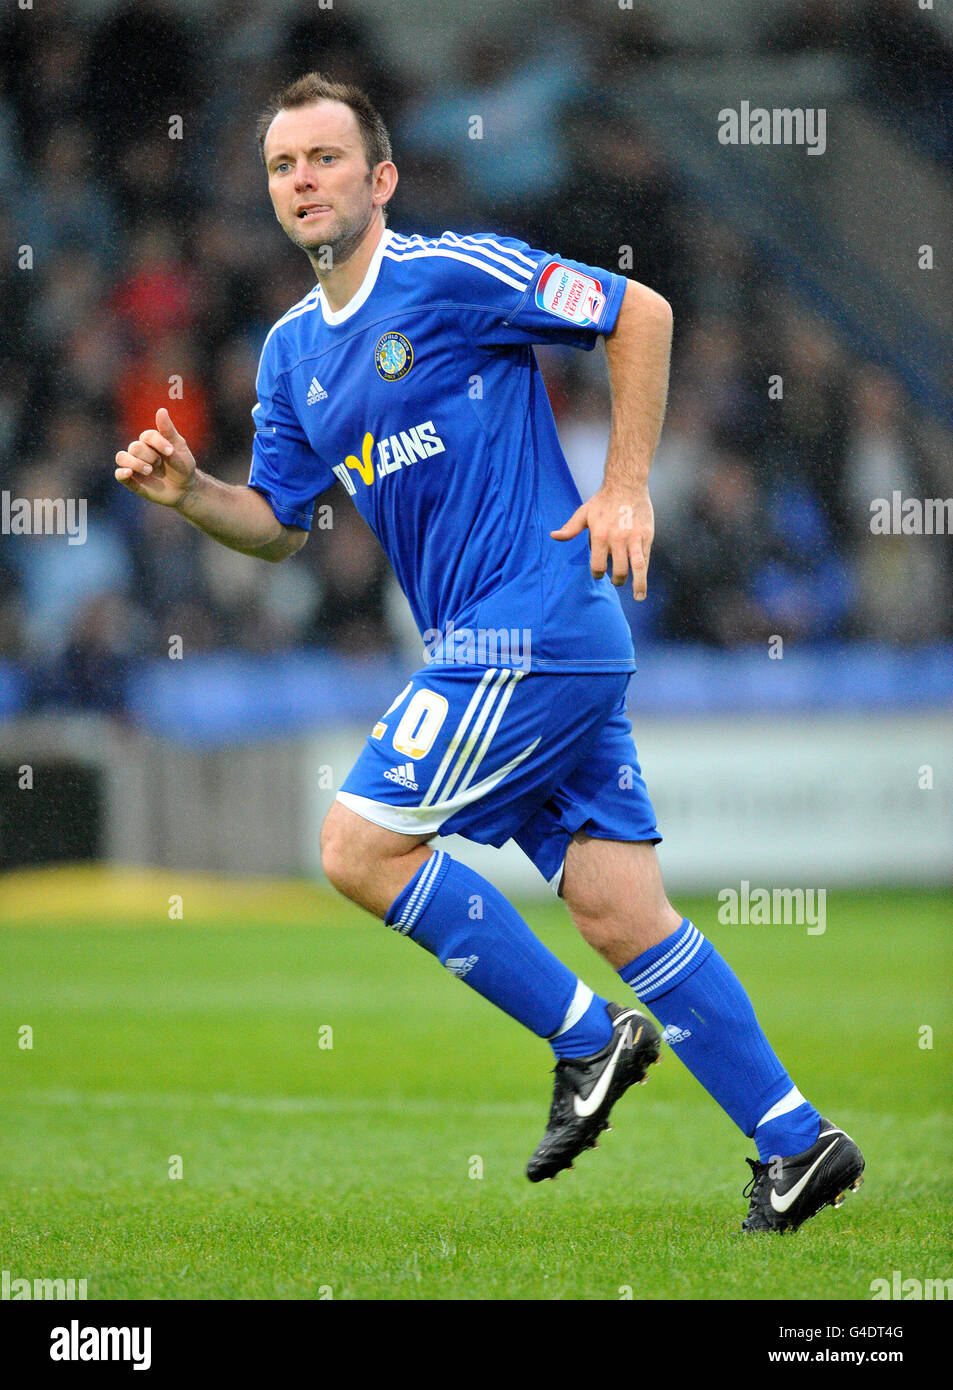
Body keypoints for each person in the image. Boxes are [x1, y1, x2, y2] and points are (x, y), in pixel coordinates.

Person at [114, 73, 864, 1231]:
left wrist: (623, 488)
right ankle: (793, 1141)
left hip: (536, 625)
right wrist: (191, 493)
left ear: (381, 178)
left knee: (357, 846)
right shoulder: (287, 358)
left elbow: (641, 313)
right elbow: (273, 526)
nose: (302, 181)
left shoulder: (454, 274)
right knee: (622, 913)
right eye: (281, 166)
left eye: (323, 159)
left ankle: (585, 1039)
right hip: (509, 649)